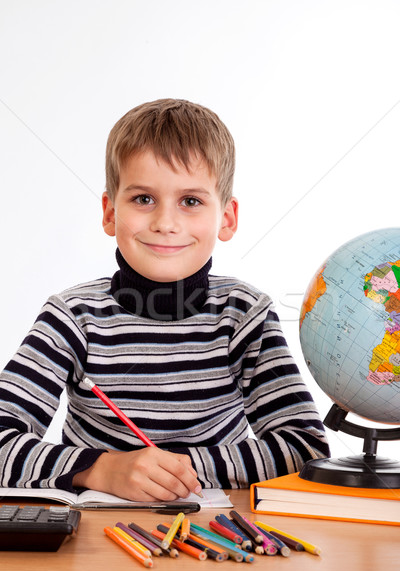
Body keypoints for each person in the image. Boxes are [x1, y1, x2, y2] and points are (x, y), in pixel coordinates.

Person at [0, 99, 329, 502]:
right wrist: (102, 469)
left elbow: (305, 449)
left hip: (216, 539)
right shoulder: (72, 317)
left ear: (226, 218)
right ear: (109, 212)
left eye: (191, 201)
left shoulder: (245, 315)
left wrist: (177, 470)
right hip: (94, 542)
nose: (165, 223)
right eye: (143, 199)